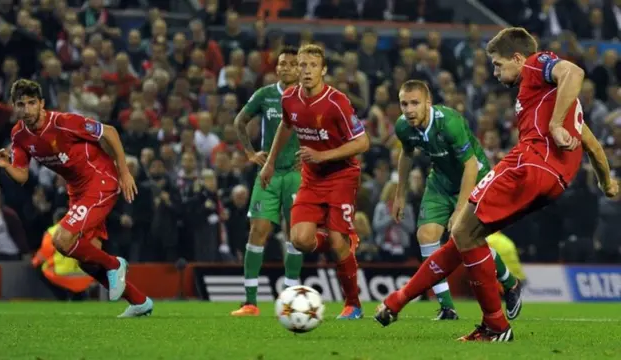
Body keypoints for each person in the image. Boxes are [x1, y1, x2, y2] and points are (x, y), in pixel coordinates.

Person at [374, 27, 619, 341]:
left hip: (529, 164)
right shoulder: (557, 100)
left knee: (462, 231)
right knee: (464, 238)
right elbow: (593, 145)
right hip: (554, 181)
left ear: (517, 58)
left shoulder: (535, 64)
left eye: (499, 64)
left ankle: (496, 325)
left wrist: (556, 125)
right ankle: (398, 301)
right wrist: (607, 182)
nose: (494, 71)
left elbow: (574, 70)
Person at [0, 79, 154, 317]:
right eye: (21, 104)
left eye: (31, 103)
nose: (26, 109)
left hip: (100, 180)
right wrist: (5, 165)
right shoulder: (19, 135)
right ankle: (139, 301)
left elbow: (109, 132)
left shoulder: (63, 122)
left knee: (62, 240)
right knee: (86, 259)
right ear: (15, 107)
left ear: (42, 103)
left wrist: (124, 171)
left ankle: (115, 264)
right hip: (77, 191)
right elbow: (22, 176)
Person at [390, 80, 522, 321]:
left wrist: (460, 210)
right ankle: (447, 308)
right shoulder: (403, 127)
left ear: (428, 103)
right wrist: (400, 194)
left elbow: (470, 166)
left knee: (466, 240)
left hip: (475, 179)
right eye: (404, 104)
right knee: (426, 235)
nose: (408, 109)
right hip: (441, 181)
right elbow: (406, 154)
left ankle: (510, 283)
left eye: (415, 103)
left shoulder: (449, 122)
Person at [260, 44, 370, 319]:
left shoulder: (337, 102)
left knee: (337, 243)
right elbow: (285, 127)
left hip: (342, 175)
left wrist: (323, 155)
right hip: (311, 178)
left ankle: (353, 304)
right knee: (299, 241)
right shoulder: (289, 98)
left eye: (312, 66)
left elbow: (363, 142)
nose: (306, 71)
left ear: (323, 70)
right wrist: (271, 162)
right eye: (302, 65)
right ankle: (338, 236)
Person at [231, 47, 304, 316]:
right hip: (269, 174)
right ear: (277, 68)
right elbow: (240, 121)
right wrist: (250, 153)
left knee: (295, 235)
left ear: (300, 69)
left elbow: (326, 129)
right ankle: (250, 302)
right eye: (282, 63)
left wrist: (311, 156)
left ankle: (290, 299)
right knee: (257, 231)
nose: (286, 67)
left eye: (292, 64)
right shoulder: (265, 95)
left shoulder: (309, 96)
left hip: (297, 175)